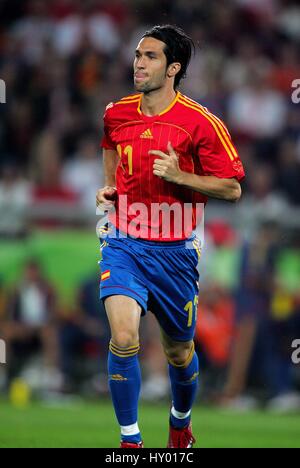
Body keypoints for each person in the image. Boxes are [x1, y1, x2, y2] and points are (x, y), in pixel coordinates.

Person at [96, 24, 245, 449]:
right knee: (124, 338)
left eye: (150, 56)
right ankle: (130, 443)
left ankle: (180, 422)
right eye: (138, 55)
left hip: (176, 253)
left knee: (180, 353)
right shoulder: (116, 112)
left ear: (174, 67)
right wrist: (109, 187)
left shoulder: (201, 123)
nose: (138, 63)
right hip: (123, 240)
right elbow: (110, 146)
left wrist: (180, 175)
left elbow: (233, 188)